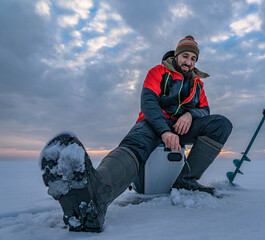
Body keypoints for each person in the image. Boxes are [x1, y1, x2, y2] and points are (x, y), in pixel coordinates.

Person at [40, 35, 232, 232]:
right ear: (176, 55)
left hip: (183, 126)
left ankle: (186, 180)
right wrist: (164, 131)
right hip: (153, 122)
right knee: (137, 142)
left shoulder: (198, 84)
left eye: (193, 58)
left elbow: (205, 110)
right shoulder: (158, 72)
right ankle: (98, 192)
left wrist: (190, 115)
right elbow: (149, 103)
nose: (189, 62)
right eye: (185, 56)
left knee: (221, 125)